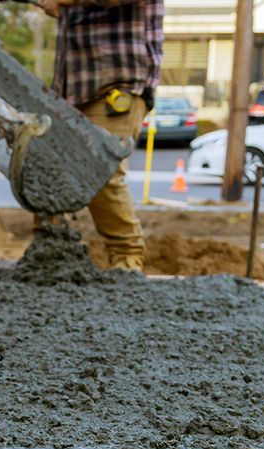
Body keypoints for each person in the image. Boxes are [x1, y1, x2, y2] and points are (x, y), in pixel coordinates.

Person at [40, 0, 164, 271]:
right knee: (47, 172)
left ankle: (127, 260)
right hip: (72, 88)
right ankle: (51, 258)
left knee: (101, 172)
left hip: (116, 83)